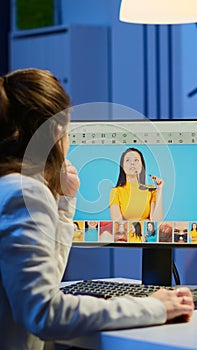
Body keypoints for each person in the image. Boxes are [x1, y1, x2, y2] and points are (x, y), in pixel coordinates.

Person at [0, 68, 194, 350]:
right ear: (58, 132)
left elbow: (45, 282)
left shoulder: (11, 186)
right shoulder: (25, 192)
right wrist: (153, 307)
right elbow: (44, 314)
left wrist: (65, 201)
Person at [109, 147, 164, 221]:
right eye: (128, 160)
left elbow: (156, 221)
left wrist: (159, 189)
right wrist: (145, 221)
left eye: (136, 160)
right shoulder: (116, 191)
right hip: (125, 233)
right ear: (122, 166)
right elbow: (118, 224)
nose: (132, 163)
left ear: (142, 166)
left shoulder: (151, 190)